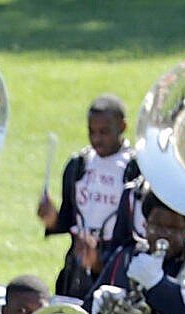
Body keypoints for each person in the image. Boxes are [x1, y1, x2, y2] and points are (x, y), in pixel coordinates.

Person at [38, 95, 140, 301]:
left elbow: (137, 230)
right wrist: (52, 219)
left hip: (115, 265)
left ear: (122, 126)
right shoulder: (79, 165)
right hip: (76, 268)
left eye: (105, 132)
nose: (97, 139)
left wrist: (100, 261)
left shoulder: (134, 168)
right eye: (91, 132)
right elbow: (68, 219)